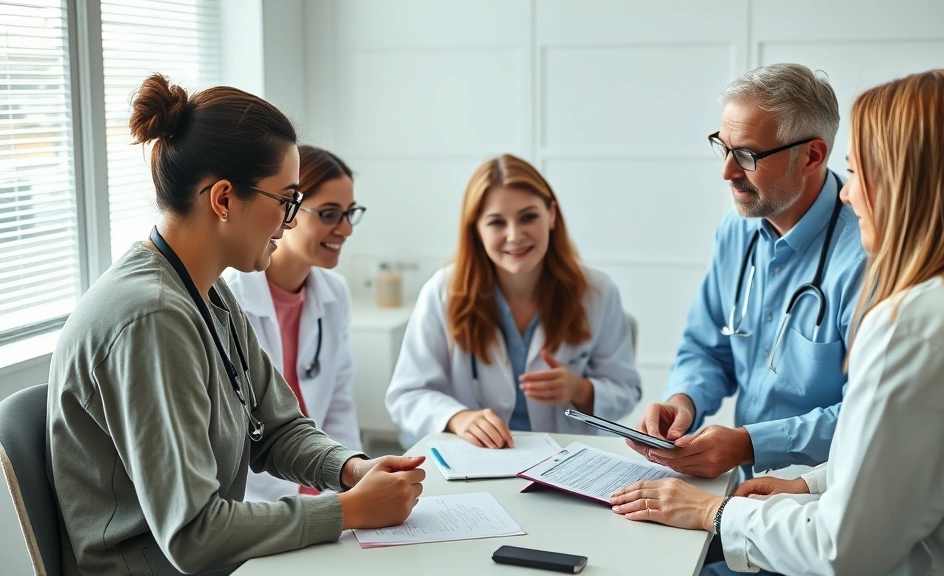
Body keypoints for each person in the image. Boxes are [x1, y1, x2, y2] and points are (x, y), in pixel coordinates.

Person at [610, 69, 944, 575]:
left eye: (862, 172)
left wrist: (711, 511)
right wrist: (805, 484)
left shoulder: (914, 319)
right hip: (790, 508)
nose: (850, 193)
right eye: (724, 147)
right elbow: (903, 455)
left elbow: (843, 545)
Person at [46, 74, 425, 576]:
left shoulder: (207, 290)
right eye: (286, 201)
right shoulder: (152, 317)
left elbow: (277, 429)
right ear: (223, 200)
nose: (290, 221)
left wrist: (352, 470)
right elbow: (193, 535)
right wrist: (348, 510)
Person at [631, 63, 866, 480]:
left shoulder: (865, 259)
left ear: (812, 155)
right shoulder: (735, 232)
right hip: (737, 493)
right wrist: (683, 401)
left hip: (820, 499)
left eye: (747, 155)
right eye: (724, 148)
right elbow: (706, 349)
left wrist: (749, 444)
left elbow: (866, 415)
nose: (727, 172)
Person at [385, 154, 641, 448]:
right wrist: (460, 418)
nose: (514, 236)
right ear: (476, 230)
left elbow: (626, 390)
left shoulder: (597, 291)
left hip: (567, 457)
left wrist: (580, 389)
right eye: (496, 223)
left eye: (528, 217)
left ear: (552, 216)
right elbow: (407, 395)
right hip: (474, 459)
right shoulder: (443, 291)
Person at [226, 145, 366, 502]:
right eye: (330, 214)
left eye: (350, 213)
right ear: (288, 211)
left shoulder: (334, 293)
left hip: (326, 485)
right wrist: (311, 505)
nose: (346, 229)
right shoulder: (231, 299)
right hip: (259, 502)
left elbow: (338, 405)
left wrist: (355, 477)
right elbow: (241, 437)